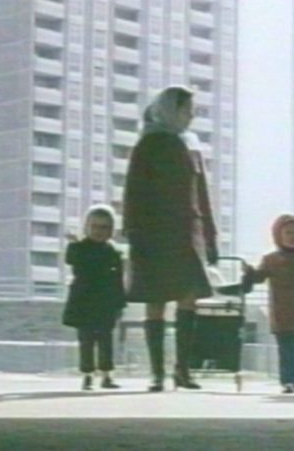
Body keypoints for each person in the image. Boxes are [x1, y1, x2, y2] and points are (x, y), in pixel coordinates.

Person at [123, 85, 218, 392]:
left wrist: (210, 238)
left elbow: (202, 196)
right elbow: (133, 194)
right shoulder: (148, 145)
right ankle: (157, 373)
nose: (191, 116)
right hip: (153, 235)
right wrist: (134, 233)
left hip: (187, 234)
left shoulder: (191, 147)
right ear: (170, 110)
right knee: (156, 302)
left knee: (189, 299)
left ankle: (183, 370)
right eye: (186, 109)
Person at [224, 215, 294, 393]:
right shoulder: (271, 259)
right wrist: (249, 272)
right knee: (286, 349)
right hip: (281, 311)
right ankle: (288, 380)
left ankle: (291, 376)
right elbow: (258, 277)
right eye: (289, 232)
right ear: (278, 235)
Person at [62, 205, 126, 391]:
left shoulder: (114, 252)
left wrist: (120, 303)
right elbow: (71, 259)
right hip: (84, 301)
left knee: (106, 339)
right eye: (95, 227)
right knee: (86, 339)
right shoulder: (79, 248)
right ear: (87, 227)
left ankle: (106, 374)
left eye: (105, 227)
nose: (99, 231)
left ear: (112, 230)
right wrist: (74, 242)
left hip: (106, 301)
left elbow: (118, 280)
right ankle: (87, 374)